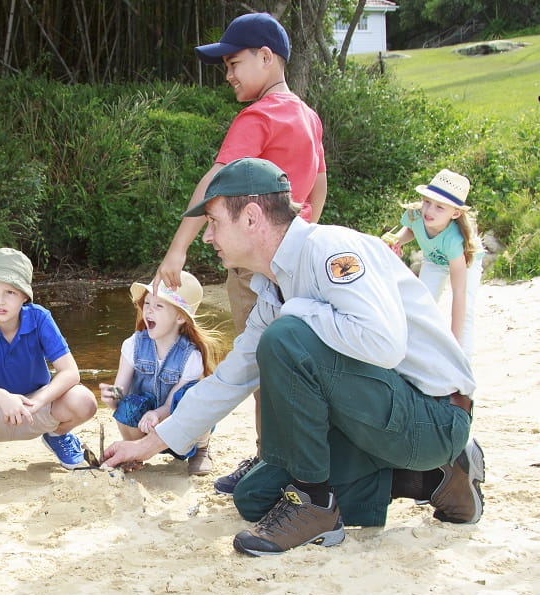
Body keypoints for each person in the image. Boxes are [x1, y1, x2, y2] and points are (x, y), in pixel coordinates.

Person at [103, 158, 484, 556]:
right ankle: (436, 481)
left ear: (251, 217)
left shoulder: (329, 250)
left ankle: (316, 505)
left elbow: (383, 344)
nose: (206, 237)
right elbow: (229, 380)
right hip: (375, 422)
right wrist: (149, 445)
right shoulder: (276, 288)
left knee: (285, 338)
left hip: (434, 417)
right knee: (256, 497)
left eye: (214, 222)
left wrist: (294, 311)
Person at [152, 12, 328, 495]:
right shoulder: (307, 115)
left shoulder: (258, 117)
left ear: (266, 57)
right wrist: (303, 239)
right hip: (293, 261)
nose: (228, 74)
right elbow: (317, 184)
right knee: (297, 360)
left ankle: (271, 462)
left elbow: (216, 183)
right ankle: (286, 458)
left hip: (255, 266)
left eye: (234, 62)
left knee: (262, 364)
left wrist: (178, 249)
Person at [0, 248, 98, 479]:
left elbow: (70, 372)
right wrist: (1, 397)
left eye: (10, 292)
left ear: (25, 295)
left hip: (35, 409)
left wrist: (39, 400)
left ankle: (58, 435)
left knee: (84, 400)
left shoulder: (40, 317)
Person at [98, 271, 221, 475]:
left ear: (180, 317)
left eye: (159, 306)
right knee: (128, 405)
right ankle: (134, 451)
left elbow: (172, 403)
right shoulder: (133, 345)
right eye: (147, 303)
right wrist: (112, 395)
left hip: (176, 424)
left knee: (195, 396)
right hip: (143, 425)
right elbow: (121, 388)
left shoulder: (191, 355)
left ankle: (201, 449)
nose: (149, 311)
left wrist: (157, 414)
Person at [387, 169, 483, 358]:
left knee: (467, 308)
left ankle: (462, 358)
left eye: (440, 207)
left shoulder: (455, 240)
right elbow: (413, 229)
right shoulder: (415, 214)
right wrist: (396, 240)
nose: (429, 211)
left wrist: (454, 342)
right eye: (427, 202)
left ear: (455, 213)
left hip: (467, 260)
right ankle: (417, 350)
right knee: (423, 302)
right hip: (434, 260)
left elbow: (458, 294)